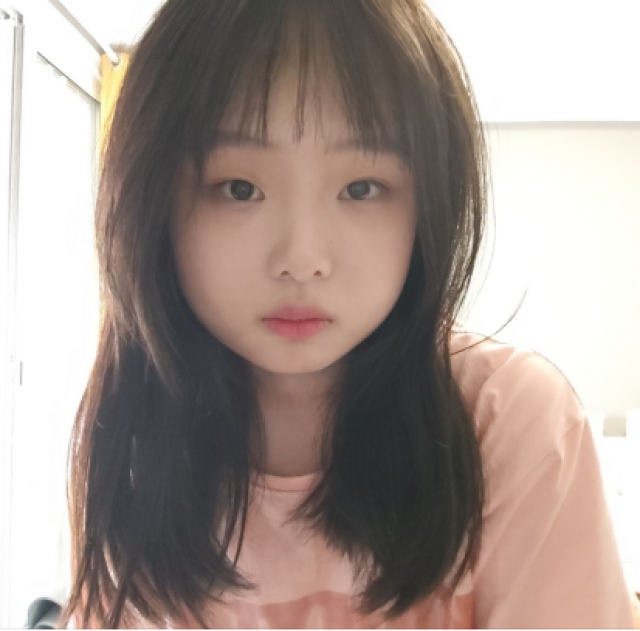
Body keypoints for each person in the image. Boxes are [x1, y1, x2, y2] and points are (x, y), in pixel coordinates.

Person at [58, 0, 640, 628]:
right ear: (153, 204)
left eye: (361, 189)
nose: (302, 259)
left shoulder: (507, 421)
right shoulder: (131, 431)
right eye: (239, 189)